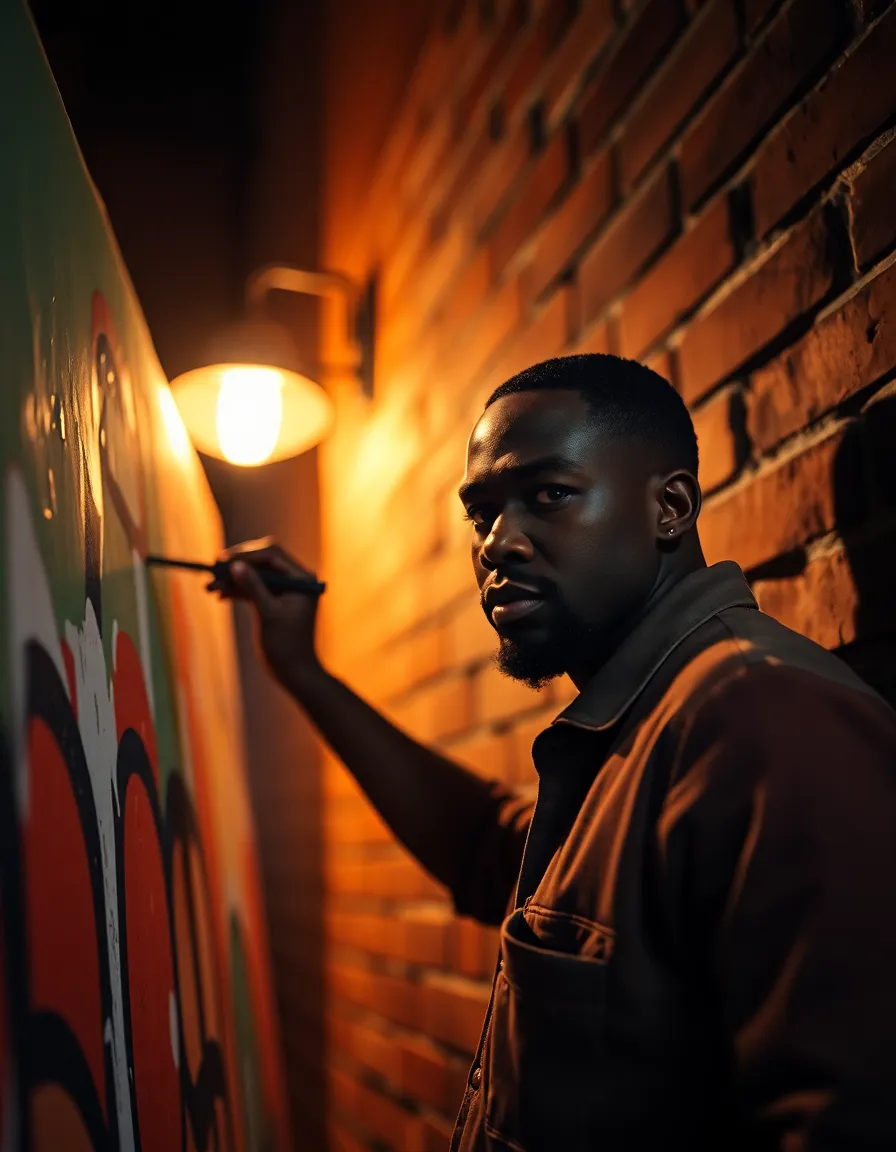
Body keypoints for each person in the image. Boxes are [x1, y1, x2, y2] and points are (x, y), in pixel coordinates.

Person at [217, 354, 896, 1151]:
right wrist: (302, 671)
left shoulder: (760, 718)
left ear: (671, 507)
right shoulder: (647, 720)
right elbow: (487, 851)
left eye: (549, 495)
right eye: (481, 513)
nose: (498, 544)